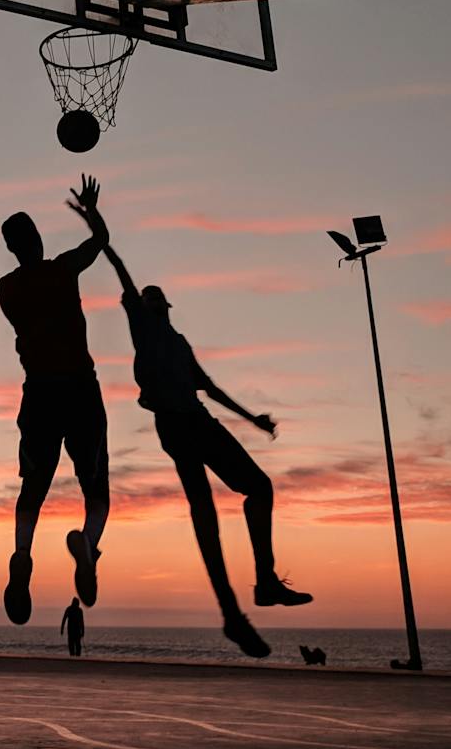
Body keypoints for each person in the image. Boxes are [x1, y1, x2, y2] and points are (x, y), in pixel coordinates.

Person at [101, 234, 312, 660]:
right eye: (148, 298)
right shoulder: (143, 330)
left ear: (166, 308)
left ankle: (265, 583)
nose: (152, 301)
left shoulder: (178, 342)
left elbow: (210, 388)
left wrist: (253, 419)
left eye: (157, 298)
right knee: (205, 515)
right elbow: (121, 270)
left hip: (200, 420)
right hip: (175, 426)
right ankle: (232, 614)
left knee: (260, 488)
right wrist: (98, 229)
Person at [0, 176, 111, 624]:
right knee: (96, 488)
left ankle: (22, 554)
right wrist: (90, 213)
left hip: (39, 391)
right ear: (38, 239)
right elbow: (100, 240)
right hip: (80, 387)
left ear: (11, 250)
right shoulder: (62, 269)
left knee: (33, 488)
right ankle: (88, 547)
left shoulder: (7, 288)